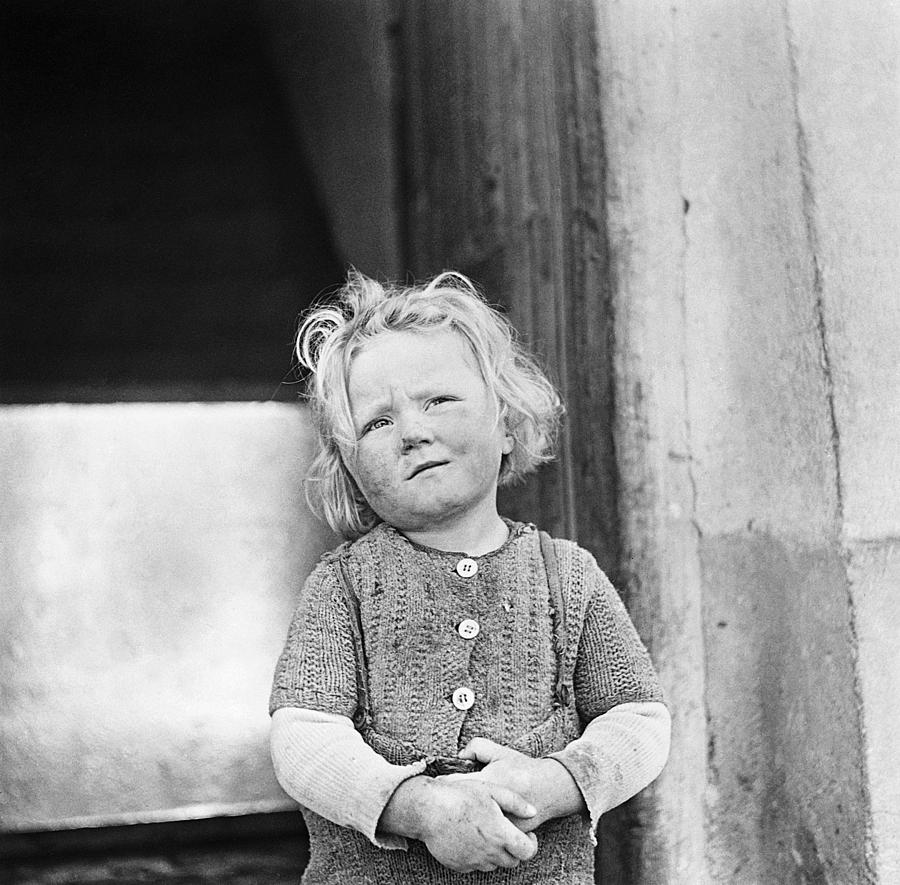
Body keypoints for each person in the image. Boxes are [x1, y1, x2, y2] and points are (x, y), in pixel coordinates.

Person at [269, 270, 670, 883]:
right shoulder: (342, 588)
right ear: (348, 468)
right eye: (377, 421)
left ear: (507, 423)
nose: (413, 431)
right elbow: (303, 740)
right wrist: (417, 808)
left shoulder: (569, 578)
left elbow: (639, 720)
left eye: (439, 400)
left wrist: (557, 781)